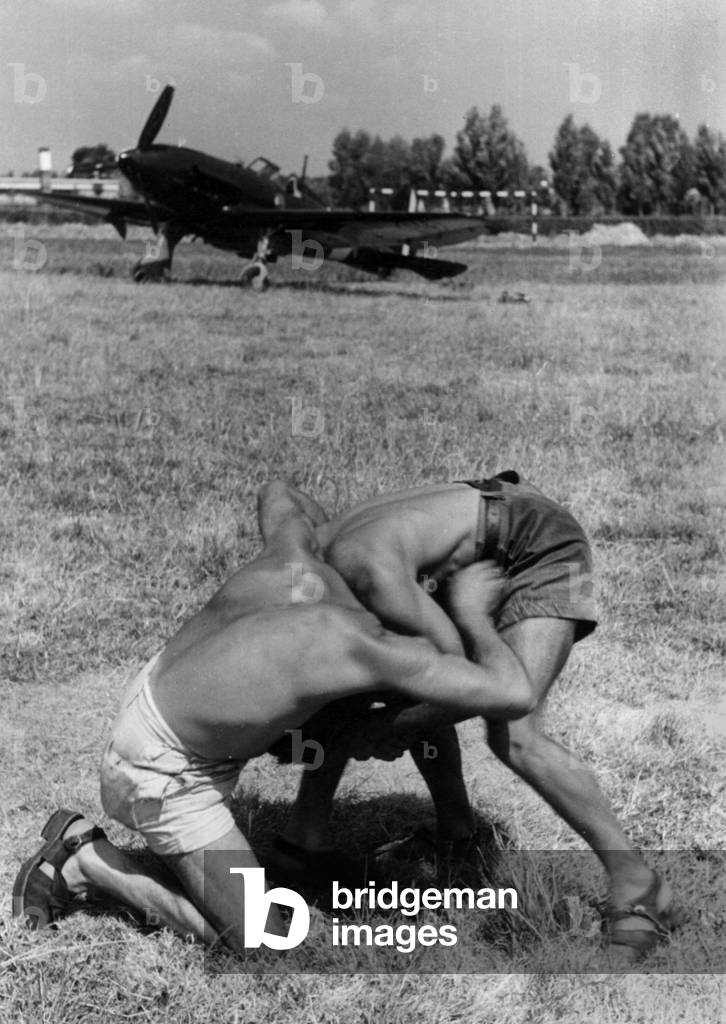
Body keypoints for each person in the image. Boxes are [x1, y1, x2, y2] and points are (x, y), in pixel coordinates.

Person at [12, 482, 533, 953]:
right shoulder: (360, 644)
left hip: (156, 695)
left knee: (358, 699)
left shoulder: (302, 552)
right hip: (160, 774)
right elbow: (511, 692)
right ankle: (89, 862)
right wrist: (473, 616)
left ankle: (313, 839)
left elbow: (276, 491)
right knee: (266, 942)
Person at [270, 473, 680, 958]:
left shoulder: (372, 579)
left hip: (535, 544)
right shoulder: (294, 573)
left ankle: (640, 886)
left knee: (515, 736)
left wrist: (468, 623)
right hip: (480, 520)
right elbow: (277, 491)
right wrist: (369, 718)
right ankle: (324, 842)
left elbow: (488, 689)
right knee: (371, 689)